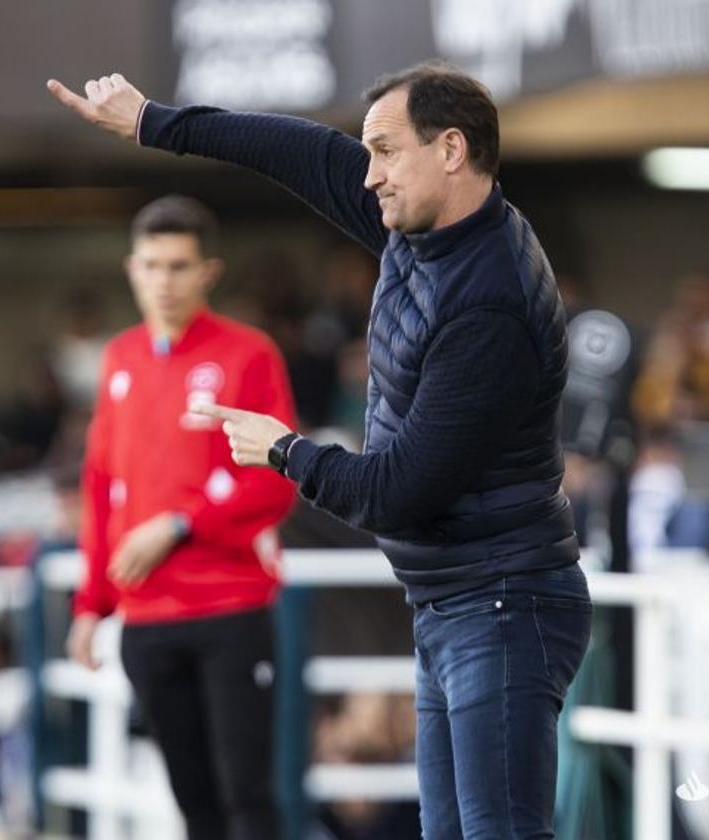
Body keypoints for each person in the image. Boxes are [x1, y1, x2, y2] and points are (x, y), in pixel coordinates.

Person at [49, 62, 592, 839]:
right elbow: (298, 149)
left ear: (449, 149)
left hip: (502, 603)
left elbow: (397, 492)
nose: (366, 177)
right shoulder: (424, 220)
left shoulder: (490, 301)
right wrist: (153, 122)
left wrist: (286, 452)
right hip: (456, 600)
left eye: (383, 152)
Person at [64, 196, 297, 840]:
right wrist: (91, 604)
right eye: (151, 265)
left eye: (178, 266)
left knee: (246, 797)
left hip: (231, 609)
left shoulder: (248, 356)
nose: (164, 281)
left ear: (208, 272)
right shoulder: (120, 360)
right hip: (146, 620)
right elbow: (101, 484)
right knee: (193, 803)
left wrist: (180, 524)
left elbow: (276, 479)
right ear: (131, 269)